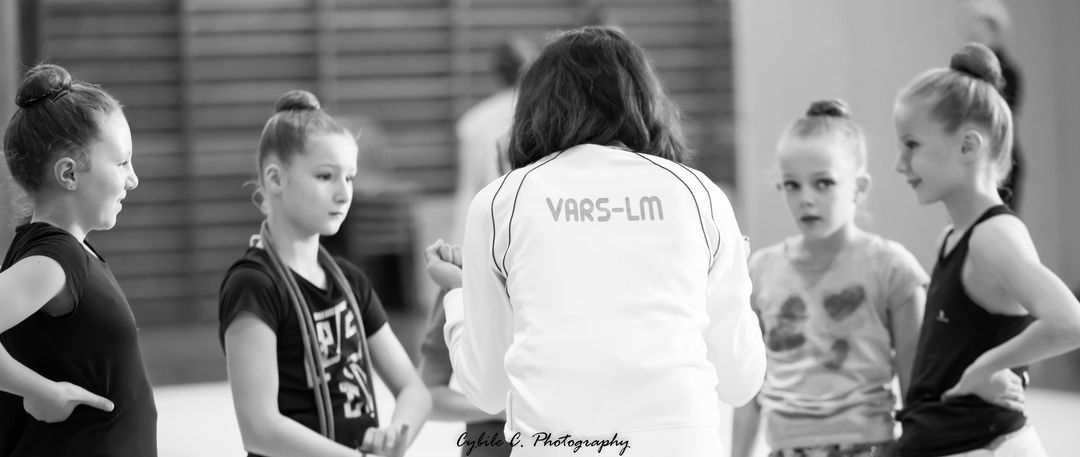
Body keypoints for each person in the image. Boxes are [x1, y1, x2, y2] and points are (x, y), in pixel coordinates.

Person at [425, 26, 766, 456]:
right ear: (643, 99)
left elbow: (486, 391)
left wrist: (458, 294)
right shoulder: (699, 194)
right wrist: (736, 277)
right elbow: (741, 381)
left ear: (534, 105)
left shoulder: (501, 201)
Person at [218, 90, 430, 457]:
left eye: (350, 177)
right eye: (325, 176)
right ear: (275, 179)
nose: (344, 193)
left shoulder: (349, 280)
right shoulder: (253, 284)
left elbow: (415, 390)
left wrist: (395, 435)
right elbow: (259, 430)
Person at [892, 43, 1080, 457]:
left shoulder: (992, 236)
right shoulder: (953, 237)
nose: (900, 163)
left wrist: (987, 366)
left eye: (911, 145)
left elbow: (1070, 321)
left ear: (968, 147)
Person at [731, 100, 928, 457]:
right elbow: (749, 391)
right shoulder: (761, 270)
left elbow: (917, 389)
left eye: (823, 183)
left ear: (859, 187)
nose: (806, 199)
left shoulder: (891, 268)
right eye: (792, 185)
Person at [0, 63, 156, 456]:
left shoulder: (68, 251)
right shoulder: (56, 258)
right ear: (69, 174)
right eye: (122, 163)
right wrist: (39, 390)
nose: (133, 179)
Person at [451, 36, 536, 244]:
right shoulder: (544, 113)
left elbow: (468, 189)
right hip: (530, 220)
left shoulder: (473, 121)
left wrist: (461, 242)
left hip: (492, 221)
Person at [959, 0, 1025, 212]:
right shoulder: (965, 72)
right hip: (971, 159)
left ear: (993, 30)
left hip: (998, 162)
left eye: (976, 26)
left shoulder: (1008, 74)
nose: (970, 32)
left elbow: (996, 120)